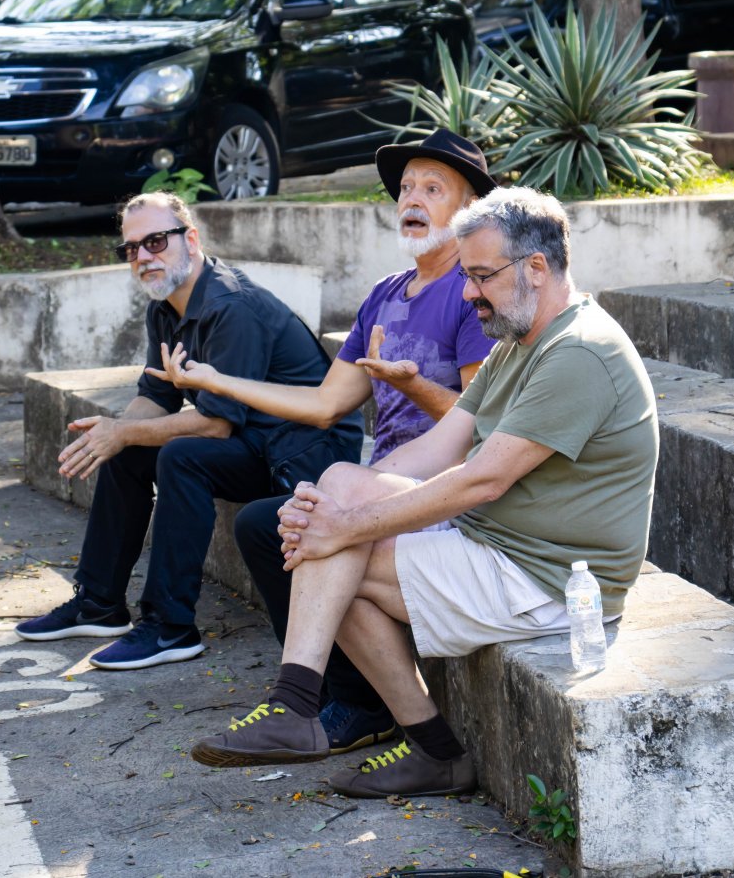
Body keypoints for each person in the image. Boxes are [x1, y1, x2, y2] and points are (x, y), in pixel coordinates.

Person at [186, 187, 660, 799]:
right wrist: (333, 502)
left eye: (482, 276)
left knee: (336, 551)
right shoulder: (519, 345)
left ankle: (364, 727)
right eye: (467, 277)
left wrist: (346, 525)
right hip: (502, 543)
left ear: (537, 268)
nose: (468, 293)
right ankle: (306, 708)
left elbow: (483, 478)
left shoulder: (579, 352)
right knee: (338, 487)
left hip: (550, 579)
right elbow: (440, 449)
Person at [148, 128, 497, 755]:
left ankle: (353, 706)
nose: (412, 199)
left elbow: (480, 422)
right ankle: (338, 696)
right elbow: (325, 404)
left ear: (468, 209)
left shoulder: (471, 294)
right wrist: (215, 380)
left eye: (433, 188)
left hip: (443, 493)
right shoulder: (385, 294)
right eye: (406, 188)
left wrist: (414, 386)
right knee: (265, 524)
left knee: (307, 524)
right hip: (381, 480)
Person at [14, 191, 362, 671]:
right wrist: (110, 433)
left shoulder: (231, 306)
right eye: (131, 248)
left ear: (191, 239)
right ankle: (98, 603)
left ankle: (169, 627)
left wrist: (124, 432)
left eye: (155, 241)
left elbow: (215, 424)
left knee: (179, 455)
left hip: (304, 453)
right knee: (127, 446)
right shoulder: (165, 306)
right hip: (253, 441)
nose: (143, 256)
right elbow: (155, 398)